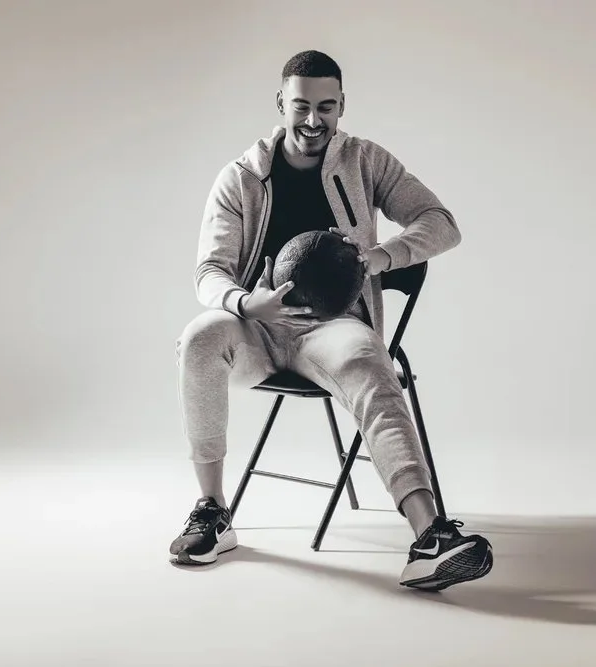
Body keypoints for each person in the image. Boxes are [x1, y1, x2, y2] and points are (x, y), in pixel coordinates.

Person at [171, 50, 493, 591]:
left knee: (370, 360)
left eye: (326, 106)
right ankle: (212, 511)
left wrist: (381, 256)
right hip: (255, 327)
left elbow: (441, 222)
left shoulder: (366, 161)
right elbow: (209, 272)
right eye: (301, 106)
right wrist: (248, 303)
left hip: (334, 328)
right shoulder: (241, 177)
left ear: (342, 105)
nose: (313, 120)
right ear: (281, 103)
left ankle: (430, 538)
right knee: (200, 336)